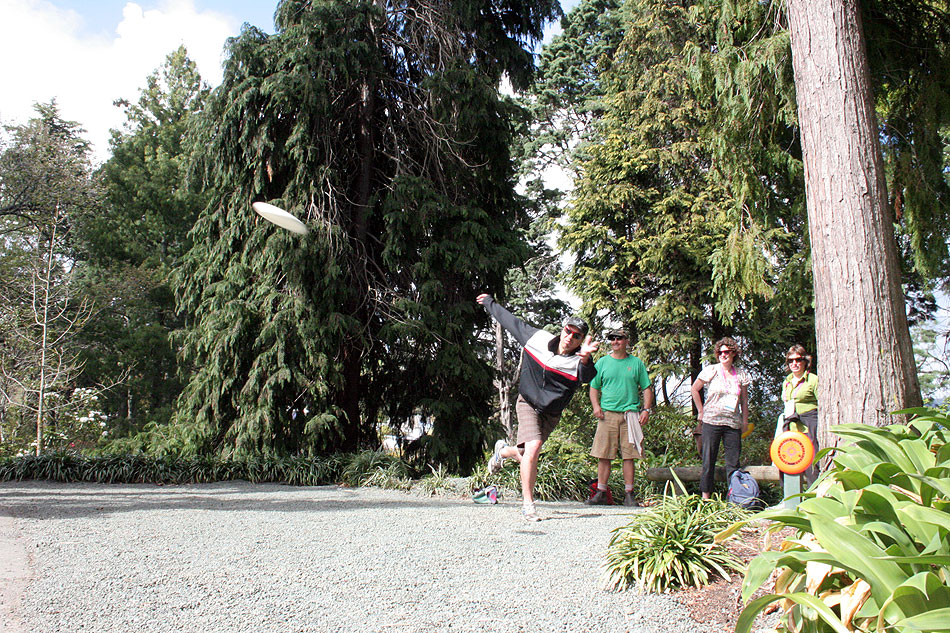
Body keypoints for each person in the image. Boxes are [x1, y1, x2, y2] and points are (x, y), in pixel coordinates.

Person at [478, 293, 598, 521]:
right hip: (528, 403)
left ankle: (502, 452)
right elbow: (512, 322)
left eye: (576, 336)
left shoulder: (578, 362)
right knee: (533, 448)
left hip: (551, 413)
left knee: (524, 453)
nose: (570, 337)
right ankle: (528, 504)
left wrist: (584, 359)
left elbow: (587, 376)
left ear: (581, 340)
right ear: (562, 329)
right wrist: (489, 303)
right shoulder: (538, 339)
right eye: (568, 331)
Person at [586, 329, 654, 507]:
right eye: (612, 338)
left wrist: (646, 409)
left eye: (619, 338)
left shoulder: (636, 363)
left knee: (629, 456)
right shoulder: (602, 363)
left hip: (630, 415)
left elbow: (646, 388)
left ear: (626, 341)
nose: (615, 341)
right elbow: (594, 387)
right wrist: (596, 407)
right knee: (604, 454)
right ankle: (601, 492)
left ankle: (629, 494)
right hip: (607, 414)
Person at [690, 337, 750, 500]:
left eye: (727, 352)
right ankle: (705, 497)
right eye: (720, 352)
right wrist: (701, 411)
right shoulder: (711, 370)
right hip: (711, 422)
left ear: (733, 353)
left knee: (733, 462)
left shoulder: (741, 374)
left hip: (732, 423)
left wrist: (745, 421)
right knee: (708, 460)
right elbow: (695, 389)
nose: (723, 355)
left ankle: (735, 495)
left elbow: (744, 400)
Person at [780, 344, 819, 484]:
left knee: (812, 465)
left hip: (810, 427)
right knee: (788, 462)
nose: (794, 363)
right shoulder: (787, 381)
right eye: (791, 361)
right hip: (792, 428)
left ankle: (814, 498)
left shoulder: (813, 380)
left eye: (798, 360)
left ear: (805, 361)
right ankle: (789, 499)